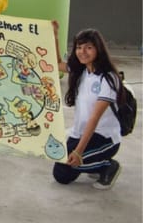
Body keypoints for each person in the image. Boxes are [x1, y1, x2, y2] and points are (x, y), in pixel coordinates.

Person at [53, 28, 123, 189]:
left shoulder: (108, 78)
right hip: (80, 132)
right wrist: (55, 36)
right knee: (58, 162)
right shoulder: (82, 71)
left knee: (63, 172)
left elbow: (94, 118)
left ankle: (107, 166)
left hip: (104, 137)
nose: (82, 52)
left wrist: (78, 151)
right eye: (79, 47)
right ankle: (93, 161)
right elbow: (56, 64)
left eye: (89, 47)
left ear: (98, 49)